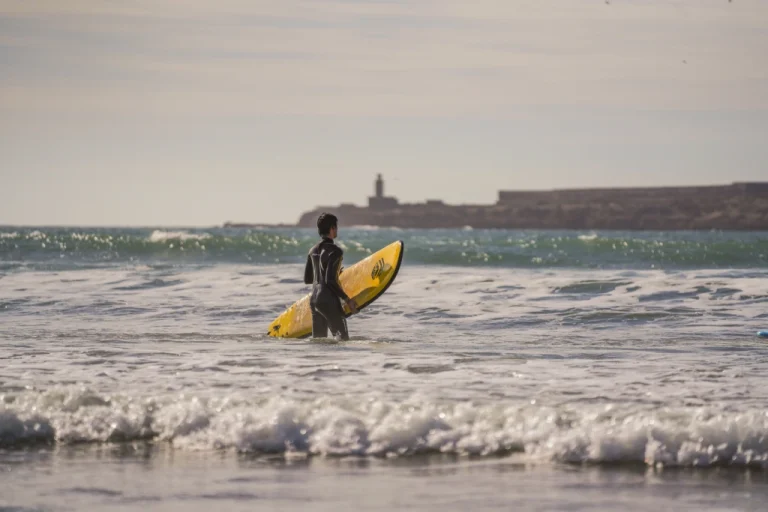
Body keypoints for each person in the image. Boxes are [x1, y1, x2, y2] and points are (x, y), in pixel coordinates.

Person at [304, 213, 358, 340]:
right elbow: (329, 281)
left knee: (319, 342)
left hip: (314, 301)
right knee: (343, 339)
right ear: (332, 228)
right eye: (336, 227)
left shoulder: (312, 251)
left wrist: (332, 273)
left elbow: (308, 279)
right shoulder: (335, 251)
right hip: (329, 300)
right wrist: (348, 300)